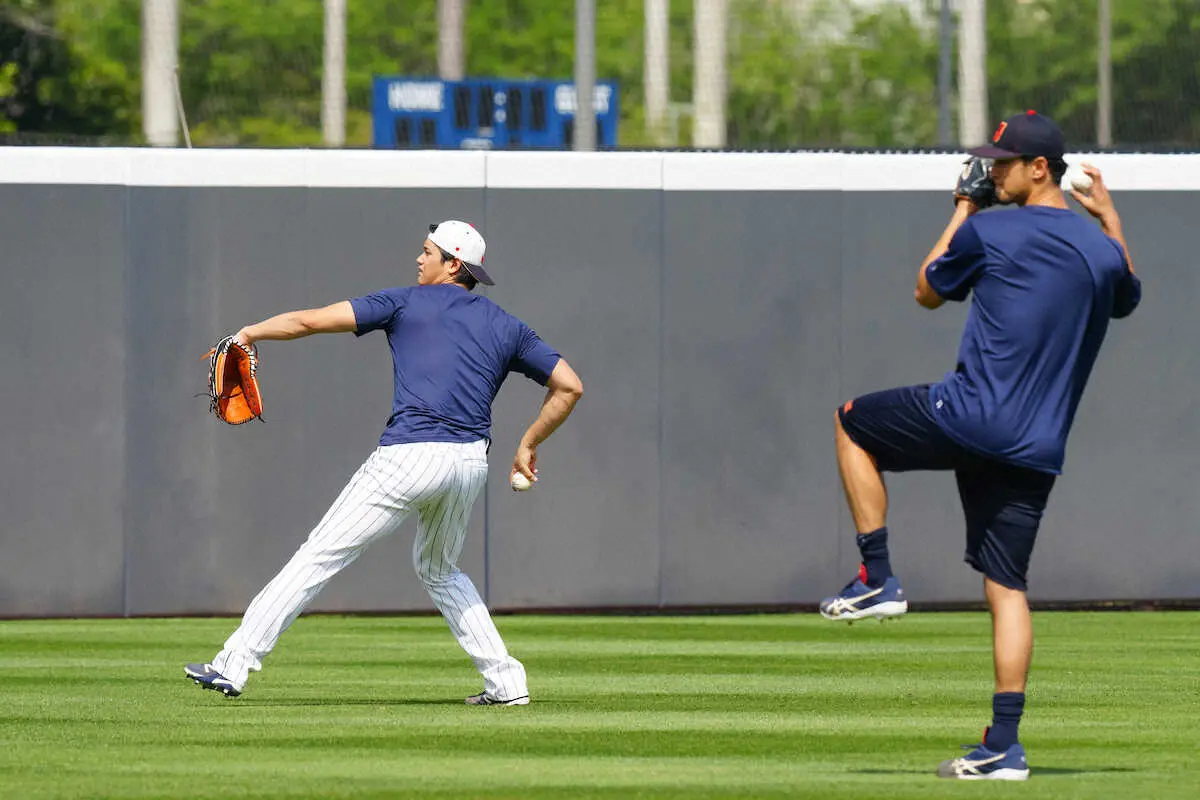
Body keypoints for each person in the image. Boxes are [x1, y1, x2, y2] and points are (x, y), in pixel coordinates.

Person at [817, 111, 1142, 780]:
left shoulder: (990, 228)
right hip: (1037, 445)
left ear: (1039, 169)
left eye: (1002, 162)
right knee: (1007, 588)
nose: (992, 170)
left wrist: (965, 207)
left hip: (970, 416)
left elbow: (927, 289)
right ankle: (1005, 747)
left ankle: (877, 577)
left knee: (851, 422)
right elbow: (1126, 296)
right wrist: (1109, 218)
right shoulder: (1099, 249)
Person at [186, 220, 583, 706]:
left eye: (427, 252)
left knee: (320, 553)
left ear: (453, 264)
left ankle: (233, 664)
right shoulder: (507, 325)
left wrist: (250, 332)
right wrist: (527, 443)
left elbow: (309, 321)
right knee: (439, 569)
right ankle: (506, 684)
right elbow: (569, 385)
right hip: (468, 464)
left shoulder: (404, 302)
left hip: (409, 457)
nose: (419, 259)